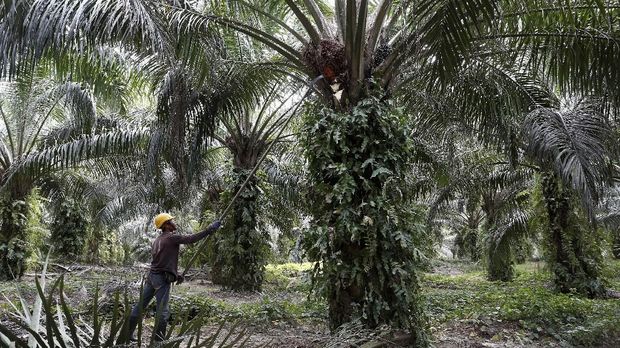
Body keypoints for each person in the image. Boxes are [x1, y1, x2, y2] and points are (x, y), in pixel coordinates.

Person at [127, 213, 221, 342]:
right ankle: (158, 342)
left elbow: (162, 263)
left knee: (140, 306)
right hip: (161, 279)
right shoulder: (171, 238)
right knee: (163, 312)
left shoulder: (157, 240)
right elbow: (191, 239)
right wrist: (209, 229)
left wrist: (175, 276)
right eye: (171, 221)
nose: (174, 223)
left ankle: (127, 335)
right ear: (166, 225)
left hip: (152, 277)